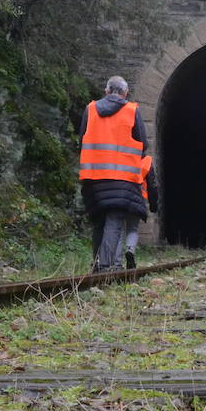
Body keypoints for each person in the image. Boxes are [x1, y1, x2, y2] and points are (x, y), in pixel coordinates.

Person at [79, 75, 149, 271]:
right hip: (123, 178)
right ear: (126, 93)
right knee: (114, 219)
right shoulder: (132, 111)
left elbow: (81, 139)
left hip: (93, 175)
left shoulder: (90, 109)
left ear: (106, 91)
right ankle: (106, 268)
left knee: (99, 218)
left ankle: (97, 265)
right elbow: (143, 144)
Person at [115, 154, 159, 270]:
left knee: (118, 230)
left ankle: (117, 263)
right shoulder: (146, 160)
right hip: (137, 199)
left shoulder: (123, 154)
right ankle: (130, 250)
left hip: (119, 196)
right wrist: (153, 205)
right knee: (132, 229)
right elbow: (152, 185)